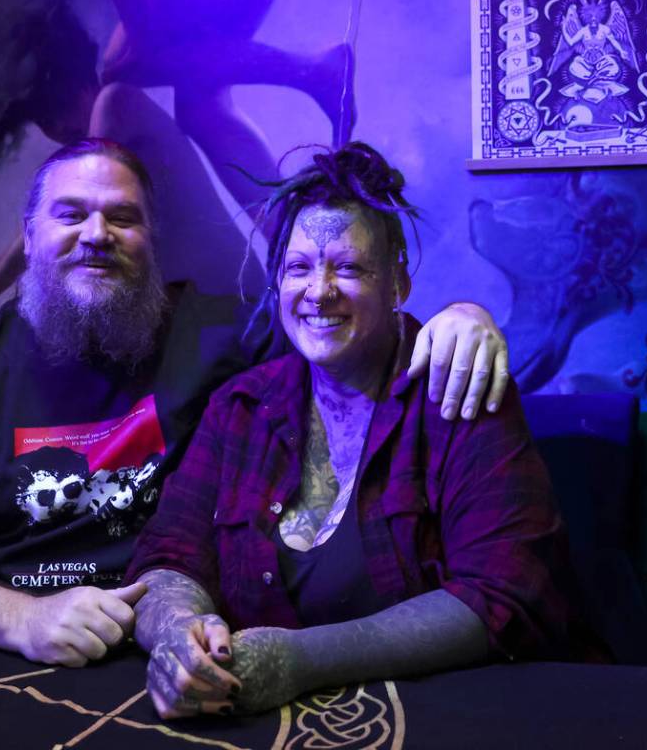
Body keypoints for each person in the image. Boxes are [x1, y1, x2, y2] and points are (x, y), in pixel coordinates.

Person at [0, 138, 510, 669]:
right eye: (71, 213)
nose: (97, 233)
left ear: (151, 240)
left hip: (177, 650)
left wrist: (462, 312)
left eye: (124, 217)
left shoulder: (226, 334)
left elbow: (340, 318)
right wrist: (22, 620)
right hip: (11, 650)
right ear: (27, 237)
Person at [125, 142, 599, 718]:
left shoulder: (458, 391)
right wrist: (177, 630)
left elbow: (503, 595)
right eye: (298, 267)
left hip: (458, 717)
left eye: (348, 268)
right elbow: (168, 554)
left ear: (397, 284)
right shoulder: (239, 408)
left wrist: (302, 661)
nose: (318, 290)